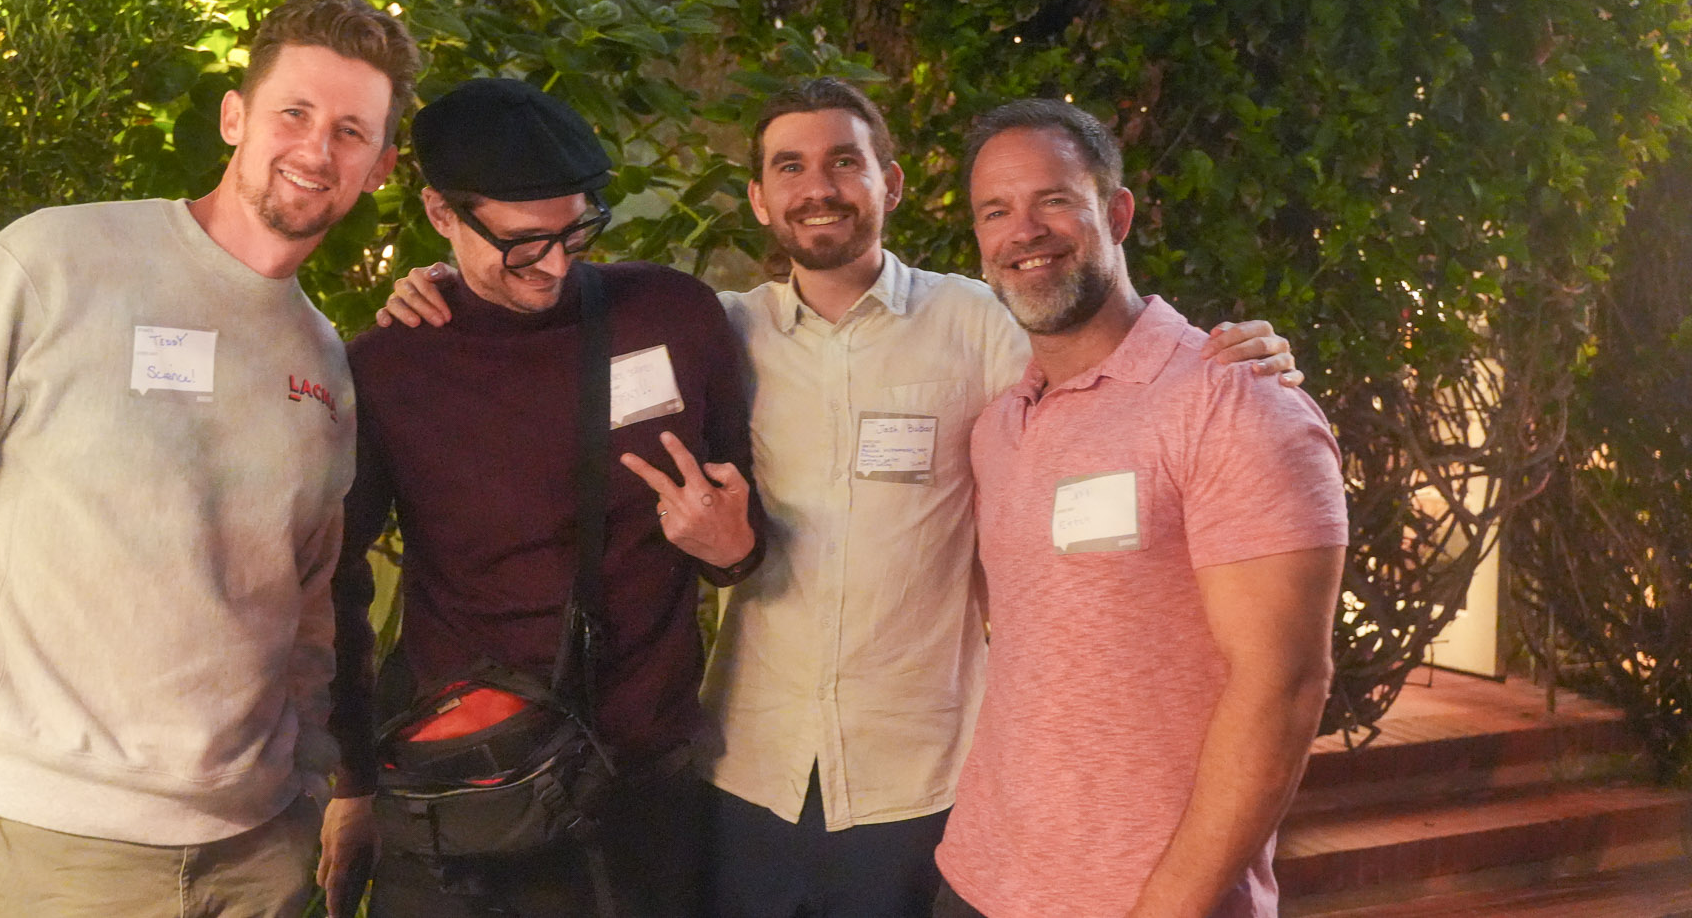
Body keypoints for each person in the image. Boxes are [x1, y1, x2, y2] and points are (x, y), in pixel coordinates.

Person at [376, 78, 1300, 918]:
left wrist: (1224, 355)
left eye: (843, 161)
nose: (817, 186)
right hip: (750, 767)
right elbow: (546, 342)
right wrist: (439, 285)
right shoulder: (716, 328)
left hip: (920, 773)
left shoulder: (974, 323)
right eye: (789, 166)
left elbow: (1098, 347)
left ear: (889, 184)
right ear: (759, 198)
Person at [0, 0, 419, 918]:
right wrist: (2, 713)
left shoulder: (321, 362)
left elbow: (309, 594)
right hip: (43, 848)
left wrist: (303, 767)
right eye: (294, 112)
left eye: (352, 131)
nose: (316, 149)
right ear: (235, 115)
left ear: (380, 166)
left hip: (255, 850)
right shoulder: (52, 264)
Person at [318, 77, 764, 918]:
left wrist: (735, 549)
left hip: (638, 792)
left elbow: (745, 520)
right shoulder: (390, 365)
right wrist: (352, 781)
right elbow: (334, 580)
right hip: (463, 793)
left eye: (576, 231)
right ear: (442, 215)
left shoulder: (672, 314)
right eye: (523, 244)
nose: (555, 265)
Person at [933, 99, 1347, 918]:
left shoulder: (1232, 401)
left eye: (1054, 199)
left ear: (1116, 213)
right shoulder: (1000, 425)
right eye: (997, 210)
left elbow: (1286, 685)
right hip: (978, 877)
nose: (1026, 230)